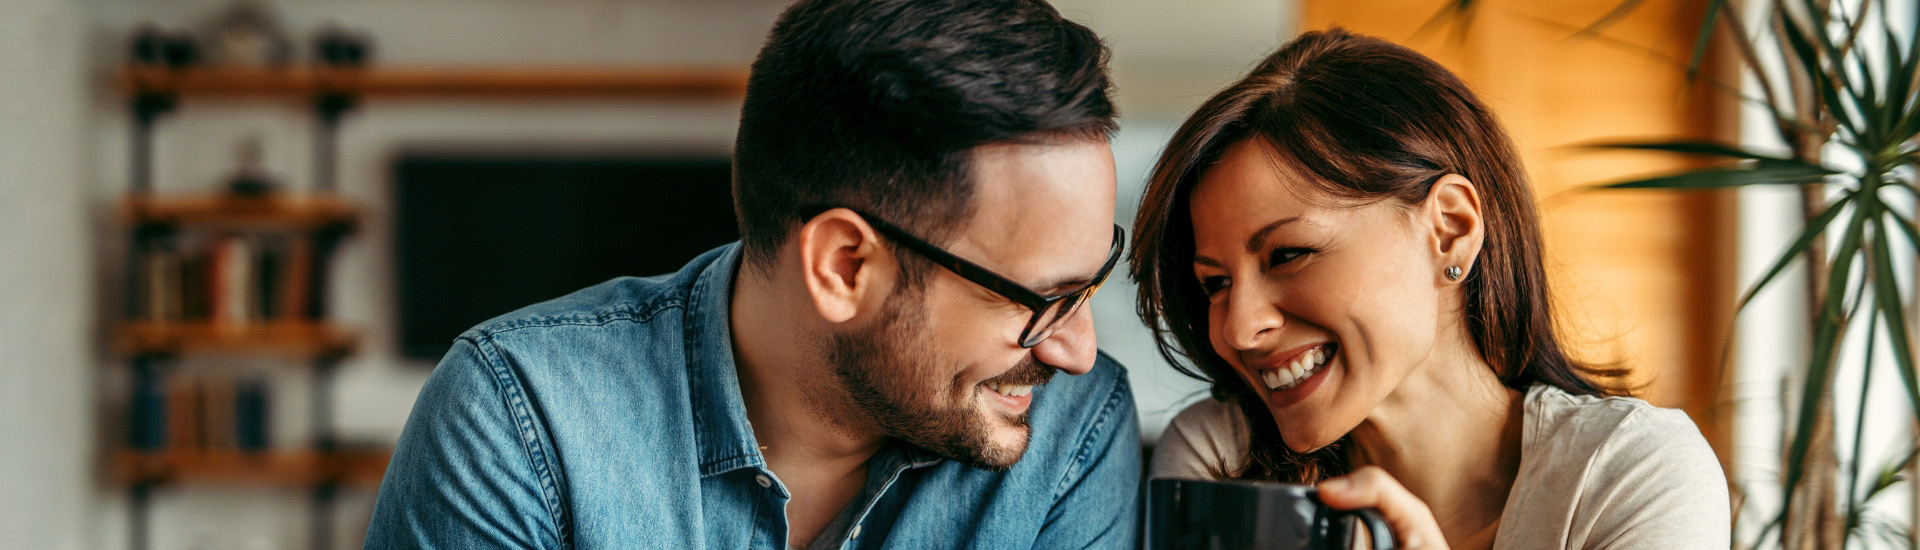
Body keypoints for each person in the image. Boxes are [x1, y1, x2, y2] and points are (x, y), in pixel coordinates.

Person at [363, 0, 1141, 548]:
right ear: (844, 266)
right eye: (1041, 299)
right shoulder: (518, 416)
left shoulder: (1076, 427)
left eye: (1092, 279)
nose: (1076, 349)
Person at [1131, 29, 1729, 549]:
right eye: (1215, 284)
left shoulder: (1629, 475)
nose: (1238, 327)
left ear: (1450, 229)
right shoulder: (1219, 460)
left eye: (1289, 254)